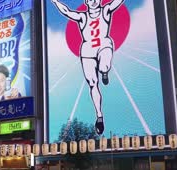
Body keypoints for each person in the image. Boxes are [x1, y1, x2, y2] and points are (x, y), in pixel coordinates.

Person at [51, 0, 125, 135]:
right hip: (87, 51)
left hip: (104, 45)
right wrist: (55, 1)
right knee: (92, 83)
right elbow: (67, 11)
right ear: (86, 2)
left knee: (104, 66)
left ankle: (104, 72)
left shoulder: (106, 10)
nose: (94, 1)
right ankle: (99, 116)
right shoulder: (83, 17)